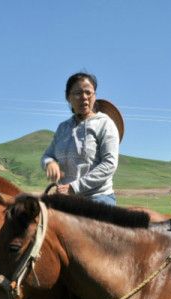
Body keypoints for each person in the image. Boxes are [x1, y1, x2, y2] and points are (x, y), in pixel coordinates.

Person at [41, 72, 120, 206]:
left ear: (94, 96)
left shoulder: (105, 124)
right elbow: (47, 155)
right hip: (66, 199)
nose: (84, 97)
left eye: (88, 92)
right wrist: (49, 163)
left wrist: (74, 187)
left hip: (97, 198)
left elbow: (109, 164)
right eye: (78, 93)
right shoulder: (63, 128)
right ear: (68, 98)